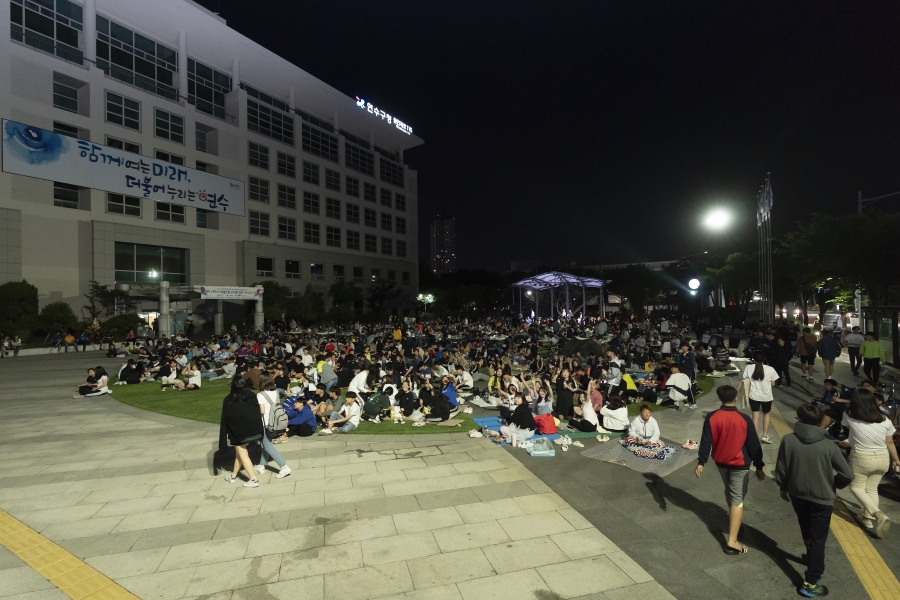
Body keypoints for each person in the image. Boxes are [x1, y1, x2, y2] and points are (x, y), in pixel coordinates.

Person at [775, 404, 854, 598]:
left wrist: (783, 487)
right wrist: (833, 483)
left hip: (797, 494)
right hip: (822, 498)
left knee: (806, 530)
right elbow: (848, 474)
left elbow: (782, 469)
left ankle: (812, 558)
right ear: (820, 422)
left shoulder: (788, 440)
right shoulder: (829, 445)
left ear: (799, 419)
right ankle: (811, 581)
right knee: (819, 538)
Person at [696, 385, 765, 555]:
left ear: (719, 398)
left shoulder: (712, 417)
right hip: (739, 464)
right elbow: (753, 445)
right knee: (738, 498)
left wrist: (701, 462)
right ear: (735, 398)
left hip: (720, 462)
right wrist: (759, 465)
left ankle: (734, 517)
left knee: (729, 491)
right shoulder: (744, 419)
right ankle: (732, 540)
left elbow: (705, 441)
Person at [841, 389, 900, 538]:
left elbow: (848, 429)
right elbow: (889, 442)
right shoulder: (884, 419)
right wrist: (896, 459)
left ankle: (878, 515)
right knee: (872, 489)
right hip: (882, 458)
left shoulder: (849, 416)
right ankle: (867, 519)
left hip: (862, 457)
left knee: (856, 487)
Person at [221, 377, 264, 488]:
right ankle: (233, 475)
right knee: (239, 453)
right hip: (255, 430)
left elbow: (225, 419)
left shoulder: (229, 399)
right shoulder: (251, 395)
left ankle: (253, 479)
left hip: (239, 433)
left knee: (243, 454)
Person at [255, 375, 291, 478]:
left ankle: (284, 467)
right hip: (275, 422)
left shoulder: (261, 395)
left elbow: (262, 411)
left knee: (268, 446)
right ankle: (262, 465)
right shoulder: (275, 392)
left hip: (265, 423)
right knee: (267, 444)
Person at [742, 351, 779, 443]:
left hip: (753, 396)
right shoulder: (770, 369)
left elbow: (745, 379)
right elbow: (773, 384)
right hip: (767, 397)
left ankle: (755, 437)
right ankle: (765, 436)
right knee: (766, 414)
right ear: (764, 359)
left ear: (753, 359)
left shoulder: (748, 367)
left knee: (755, 417)